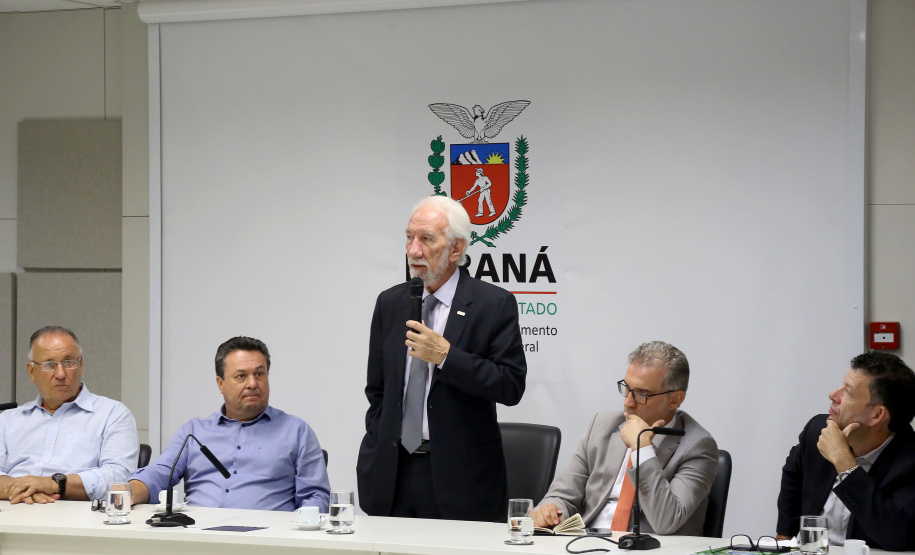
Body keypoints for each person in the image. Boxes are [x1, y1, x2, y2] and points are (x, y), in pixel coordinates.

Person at [356, 195, 527, 522]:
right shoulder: (390, 303)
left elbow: (510, 385)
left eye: (426, 239)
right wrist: (379, 437)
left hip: (461, 480)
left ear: (456, 249)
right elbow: (377, 389)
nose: (414, 250)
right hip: (392, 474)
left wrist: (447, 357)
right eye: (409, 237)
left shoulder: (493, 304)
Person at [534, 341, 717, 535]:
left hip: (649, 546)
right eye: (627, 388)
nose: (628, 403)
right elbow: (562, 495)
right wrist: (550, 510)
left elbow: (666, 521)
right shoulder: (602, 426)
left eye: (642, 394)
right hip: (586, 541)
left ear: (674, 400)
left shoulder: (697, 446)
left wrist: (643, 450)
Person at [129, 336, 330, 511]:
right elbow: (159, 473)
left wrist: (293, 529)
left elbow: (316, 497)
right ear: (221, 384)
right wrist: (130, 491)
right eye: (241, 376)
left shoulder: (296, 431)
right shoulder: (194, 431)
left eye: (259, 374)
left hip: (267, 537)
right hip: (198, 534)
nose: (253, 384)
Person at [776, 351, 915, 551]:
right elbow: (793, 474)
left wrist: (844, 462)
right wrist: (784, 539)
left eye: (848, 392)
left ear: (876, 414)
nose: (833, 395)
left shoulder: (910, 461)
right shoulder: (818, 431)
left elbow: (896, 535)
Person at [0, 325, 139, 504]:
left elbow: (119, 476)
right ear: (31, 371)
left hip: (78, 515)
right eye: (49, 365)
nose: (60, 374)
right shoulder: (7, 420)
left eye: (68, 363)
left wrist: (54, 484)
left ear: (80, 365)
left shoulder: (113, 414)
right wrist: (26, 489)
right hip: (13, 510)